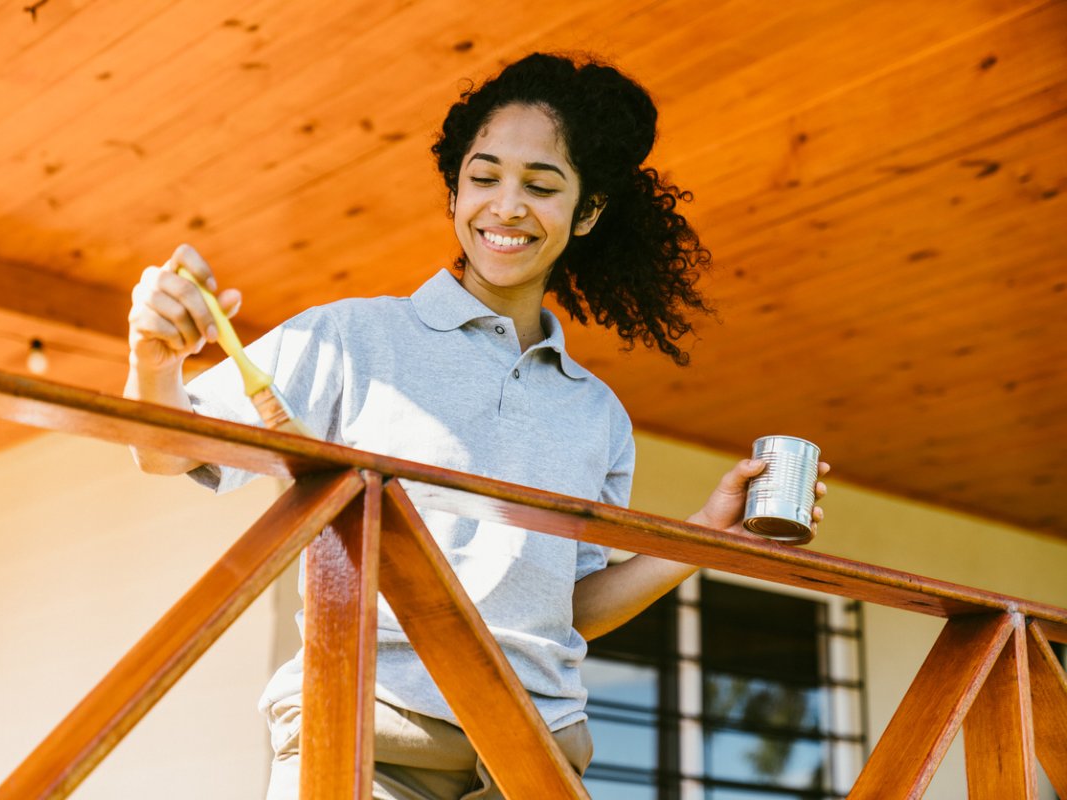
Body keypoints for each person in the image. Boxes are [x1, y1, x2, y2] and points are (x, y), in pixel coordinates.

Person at [125, 52, 827, 800]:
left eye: (542, 186)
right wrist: (154, 359)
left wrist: (709, 536)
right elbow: (168, 452)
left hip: (535, 759)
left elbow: (570, 609)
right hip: (367, 741)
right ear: (455, 190)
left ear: (587, 212)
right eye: (484, 177)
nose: (506, 206)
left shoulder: (597, 414)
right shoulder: (354, 338)